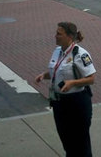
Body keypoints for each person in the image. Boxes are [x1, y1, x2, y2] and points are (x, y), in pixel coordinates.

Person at [35, 22, 96, 157]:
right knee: (66, 138)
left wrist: (73, 82)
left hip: (77, 102)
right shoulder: (57, 51)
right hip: (59, 102)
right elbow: (56, 71)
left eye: (59, 33)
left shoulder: (80, 54)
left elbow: (91, 79)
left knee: (80, 141)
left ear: (69, 36)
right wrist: (44, 75)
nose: (55, 36)